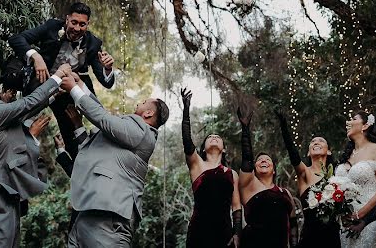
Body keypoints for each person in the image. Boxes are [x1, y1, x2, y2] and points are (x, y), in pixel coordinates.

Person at [0, 68, 75, 247]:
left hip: (4, 194)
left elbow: (24, 111)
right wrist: (57, 75)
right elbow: (26, 104)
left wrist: (52, 94)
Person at [60, 74, 169, 248]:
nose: (139, 102)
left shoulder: (143, 132)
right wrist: (81, 85)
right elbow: (92, 149)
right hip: (87, 213)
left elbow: (103, 118)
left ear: (149, 113)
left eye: (144, 101)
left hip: (109, 220)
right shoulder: (125, 133)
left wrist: (73, 89)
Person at [7, 2, 117, 156]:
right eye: (74, 22)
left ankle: (81, 165)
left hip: (67, 92)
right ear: (66, 20)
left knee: (72, 137)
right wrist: (36, 57)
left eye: (82, 24)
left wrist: (108, 68)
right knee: (22, 117)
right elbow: (16, 39)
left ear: (88, 24)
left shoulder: (93, 43)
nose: (77, 28)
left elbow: (107, 82)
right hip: (42, 82)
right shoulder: (52, 27)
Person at [180, 88, 242, 248]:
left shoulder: (232, 174)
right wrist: (186, 108)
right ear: (203, 148)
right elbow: (187, 141)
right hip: (199, 230)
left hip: (224, 232)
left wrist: (237, 233)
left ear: (224, 149)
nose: (214, 137)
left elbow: (236, 206)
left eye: (218, 137)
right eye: (210, 138)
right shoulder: (197, 165)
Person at [275, 112, 339, 248]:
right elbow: (293, 154)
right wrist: (284, 127)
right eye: (313, 142)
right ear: (309, 153)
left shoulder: (337, 176)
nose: (316, 142)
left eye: (321, 141)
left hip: (333, 238)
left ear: (329, 151)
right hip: (311, 238)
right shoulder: (305, 173)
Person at [334, 112, 376, 248]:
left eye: (353, 119)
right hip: (346, 221)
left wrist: (359, 214)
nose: (348, 122)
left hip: (372, 216)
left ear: (365, 125)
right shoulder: (347, 155)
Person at [237, 106, 294, 247]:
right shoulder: (248, 186)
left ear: (274, 169)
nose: (263, 160)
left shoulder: (285, 193)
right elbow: (247, 160)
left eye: (268, 159)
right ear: (254, 169)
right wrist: (245, 130)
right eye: (260, 160)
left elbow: (293, 224)